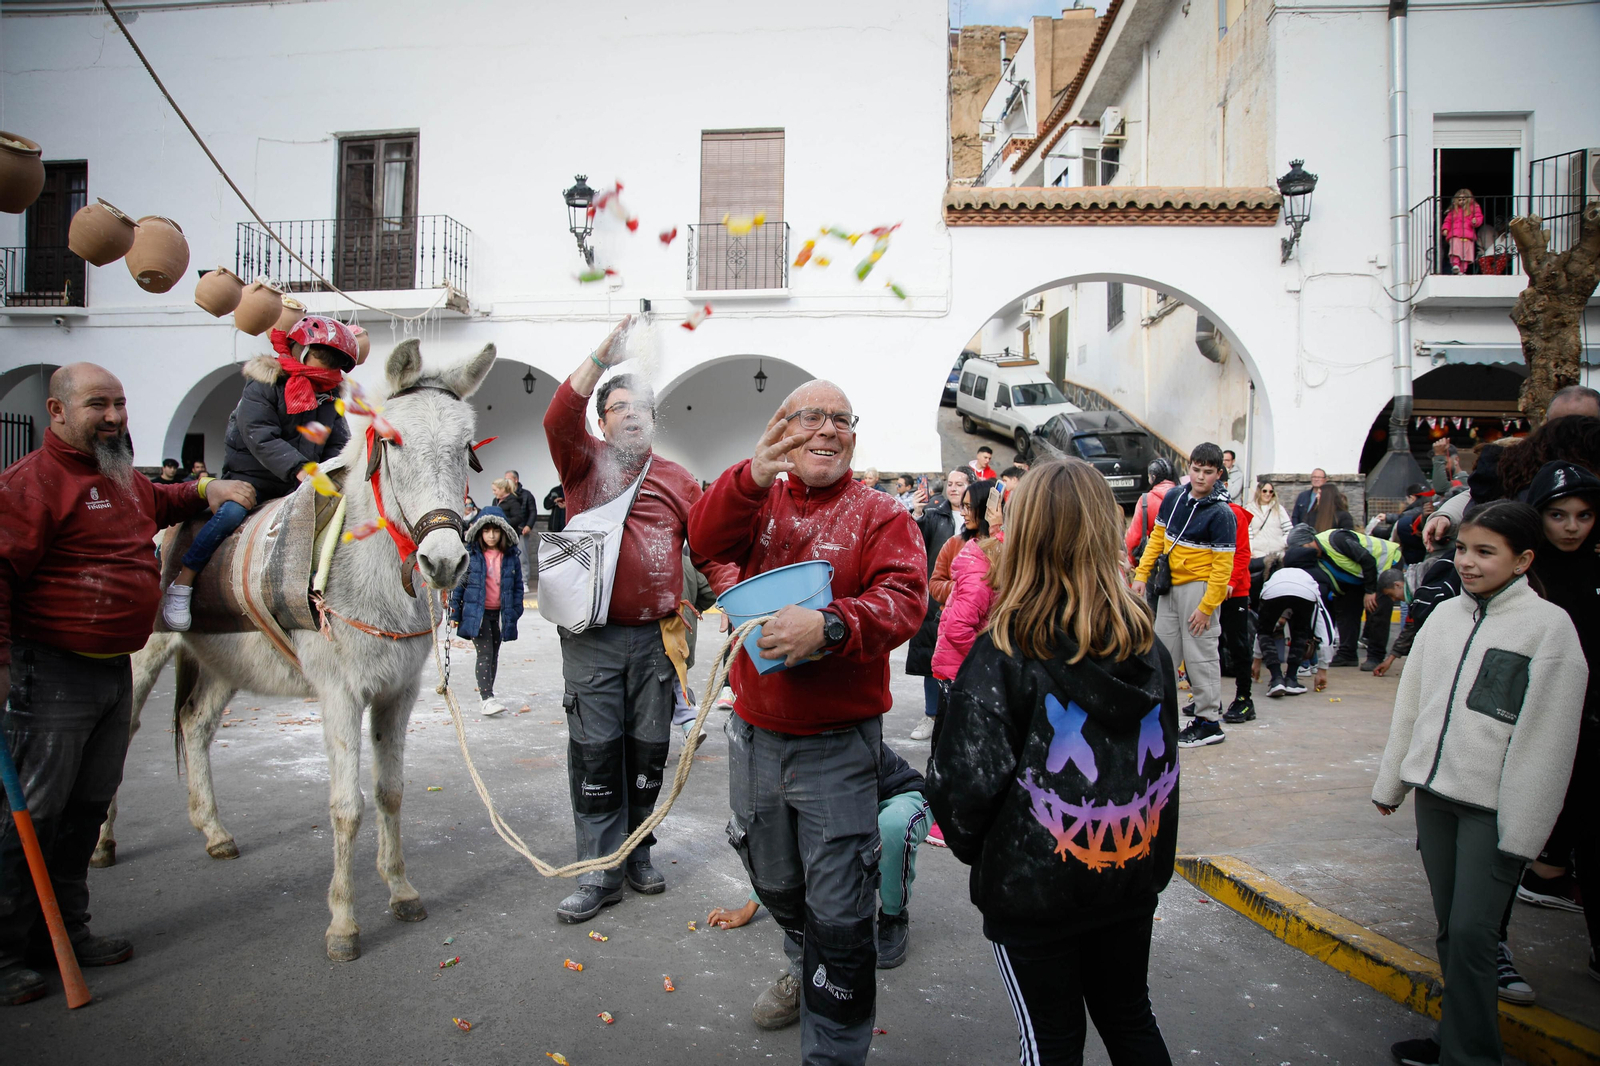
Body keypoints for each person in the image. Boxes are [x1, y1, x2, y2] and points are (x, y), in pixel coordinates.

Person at [0, 363, 255, 1005]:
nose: (114, 416)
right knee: (33, 812)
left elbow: (162, 501)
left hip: (111, 668)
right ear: (57, 413)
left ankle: (69, 930)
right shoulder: (31, 485)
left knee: (87, 808)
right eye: (97, 405)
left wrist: (207, 490)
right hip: (51, 673)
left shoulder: (119, 479)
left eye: (118, 404)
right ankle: (9, 952)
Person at [688, 379, 927, 1064]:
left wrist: (829, 625)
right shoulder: (755, 499)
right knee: (773, 876)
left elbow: (904, 600)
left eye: (841, 419)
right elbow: (703, 538)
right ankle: (803, 961)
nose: (827, 430)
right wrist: (755, 472)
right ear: (781, 427)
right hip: (755, 734)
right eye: (810, 418)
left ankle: (834, 1044)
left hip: (838, 746)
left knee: (843, 907)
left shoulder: (881, 514)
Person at [927, 458, 1178, 1066]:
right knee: (1130, 1018)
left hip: (1034, 896)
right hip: (1129, 877)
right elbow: (1164, 776)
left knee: (1051, 1044)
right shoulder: (1148, 647)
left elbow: (962, 789)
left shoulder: (1004, 655)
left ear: (1026, 533)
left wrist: (989, 856)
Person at [1375, 501, 1584, 1066]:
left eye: (1485, 552)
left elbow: (1548, 739)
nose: (1466, 562)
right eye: (1462, 549)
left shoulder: (1550, 629)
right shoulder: (1444, 617)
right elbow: (1411, 705)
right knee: (1453, 932)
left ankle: (1471, 1056)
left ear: (1522, 561)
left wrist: (1526, 831)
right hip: (1435, 801)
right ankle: (1455, 1039)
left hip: (1494, 811)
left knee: (1473, 934)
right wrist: (1393, 781)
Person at [543, 317, 728, 925]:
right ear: (602, 420)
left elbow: (708, 553)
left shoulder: (678, 480)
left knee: (648, 754)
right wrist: (604, 352)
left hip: (657, 643)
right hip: (592, 642)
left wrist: (738, 605)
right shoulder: (581, 463)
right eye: (618, 406)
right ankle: (599, 871)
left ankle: (639, 851)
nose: (630, 414)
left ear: (654, 416)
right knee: (597, 755)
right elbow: (555, 414)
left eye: (641, 406)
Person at [706, 740, 930, 1018]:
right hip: (841, 799)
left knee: (890, 829)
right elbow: (784, 842)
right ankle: (808, 971)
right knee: (803, 830)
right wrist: (751, 904)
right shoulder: (783, 754)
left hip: (896, 797)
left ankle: (894, 916)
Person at [160, 316, 355, 632]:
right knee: (230, 515)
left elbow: (338, 442)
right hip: (251, 478)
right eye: (323, 357)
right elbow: (258, 433)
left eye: (334, 363)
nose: (327, 367)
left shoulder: (330, 398)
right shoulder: (264, 384)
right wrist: (299, 469)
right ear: (300, 350)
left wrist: (338, 473)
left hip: (301, 483)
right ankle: (183, 581)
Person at [1516, 462, 1600, 969]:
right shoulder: (1525, 576)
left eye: (1585, 515)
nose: (1572, 526)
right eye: (1559, 514)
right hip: (1533, 724)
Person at [1132, 443, 1236, 748]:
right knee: (1161, 651)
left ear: (1218, 474)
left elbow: (1222, 566)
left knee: (1200, 655)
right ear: (1188, 467)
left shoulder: (1221, 513)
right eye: (1195, 469)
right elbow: (1156, 539)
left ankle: (1208, 721)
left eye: (1207, 472)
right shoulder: (1175, 496)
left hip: (1199, 587)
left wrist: (1207, 607)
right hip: (1170, 585)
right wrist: (1141, 575)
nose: (1200, 477)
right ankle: (1158, 718)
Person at [925, 478, 1002, 845]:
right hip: (961, 665)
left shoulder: (988, 551)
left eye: (973, 506)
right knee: (954, 747)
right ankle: (943, 819)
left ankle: (946, 819)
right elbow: (956, 619)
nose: (965, 511)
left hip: (962, 664)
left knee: (956, 747)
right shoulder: (974, 551)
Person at [449, 504, 524, 717]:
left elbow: (518, 586)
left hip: (499, 614)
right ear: (479, 531)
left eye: (495, 530)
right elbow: (459, 586)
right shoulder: (471, 555)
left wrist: (515, 611)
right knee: (485, 654)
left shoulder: (510, 557)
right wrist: (455, 613)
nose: (491, 535)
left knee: (494, 655)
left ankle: (487, 695)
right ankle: (487, 698)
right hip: (477, 614)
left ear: (503, 531)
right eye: (486, 530)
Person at [1306, 525, 1406, 669]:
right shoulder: (1317, 556)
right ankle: (1347, 654)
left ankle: (1375, 656)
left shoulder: (1336, 539)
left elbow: (1368, 560)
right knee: (1346, 606)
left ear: (1310, 541)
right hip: (1361, 575)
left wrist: (1370, 591)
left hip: (1386, 564)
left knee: (1377, 608)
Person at [1255, 539, 1333, 697]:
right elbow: (1326, 632)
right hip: (1305, 594)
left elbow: (1261, 629)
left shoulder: (1275, 575)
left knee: (1266, 632)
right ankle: (1291, 680)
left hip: (1272, 592)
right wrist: (1322, 670)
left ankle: (1276, 679)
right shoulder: (1310, 580)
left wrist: (1256, 660)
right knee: (1301, 632)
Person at [1220, 498, 1256, 723]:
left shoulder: (1234, 514)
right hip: (1209, 588)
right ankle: (1210, 698)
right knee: (1207, 645)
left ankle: (1244, 698)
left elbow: (1242, 553)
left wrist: (1231, 582)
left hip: (1236, 591)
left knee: (1238, 644)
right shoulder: (1194, 507)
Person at [1125, 457, 1177, 568]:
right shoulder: (1185, 497)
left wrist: (1131, 560)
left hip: (1155, 562)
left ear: (1153, 477)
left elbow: (1135, 537)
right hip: (1183, 560)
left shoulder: (1146, 500)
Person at [914, 468, 967, 566]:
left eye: (959, 485)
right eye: (950, 484)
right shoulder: (933, 515)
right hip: (939, 578)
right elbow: (916, 542)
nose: (953, 489)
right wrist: (917, 513)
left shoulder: (979, 518)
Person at [504, 469, 539, 579]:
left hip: (521, 530)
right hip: (506, 531)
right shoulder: (503, 494)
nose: (506, 481)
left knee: (522, 557)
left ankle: (524, 580)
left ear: (516, 480)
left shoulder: (526, 494)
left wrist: (528, 525)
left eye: (508, 479)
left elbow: (533, 511)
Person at [1441, 187, 1483, 275]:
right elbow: (1448, 220)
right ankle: (1455, 265)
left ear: (1468, 199)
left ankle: (1462, 270)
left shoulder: (1474, 208)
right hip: (1455, 234)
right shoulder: (1453, 211)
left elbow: (1479, 217)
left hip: (1468, 235)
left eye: (1463, 199)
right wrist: (1445, 229)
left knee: (1466, 253)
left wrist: (1475, 221)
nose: (1461, 201)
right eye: (1459, 200)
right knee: (1455, 249)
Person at [1247, 481, 1292, 558]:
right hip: (1257, 555)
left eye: (1271, 491)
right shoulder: (1249, 509)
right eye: (1264, 491)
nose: (1267, 494)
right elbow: (1248, 534)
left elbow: (1289, 530)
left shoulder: (1279, 509)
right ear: (1259, 492)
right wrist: (1249, 551)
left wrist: (1282, 542)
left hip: (1277, 554)